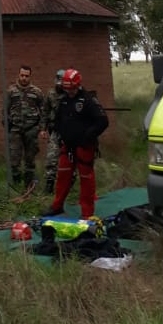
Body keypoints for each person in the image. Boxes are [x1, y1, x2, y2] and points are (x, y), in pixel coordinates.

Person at [43, 69, 109, 219]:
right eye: (67, 88)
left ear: (78, 85)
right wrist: (60, 136)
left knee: (86, 179)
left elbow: (103, 121)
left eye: (72, 88)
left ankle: (87, 213)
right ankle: (57, 206)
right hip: (67, 146)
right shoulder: (64, 100)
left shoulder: (88, 100)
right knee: (63, 176)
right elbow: (59, 120)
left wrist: (87, 136)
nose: (70, 91)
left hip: (84, 147)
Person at [3, 65, 46, 188]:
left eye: (26, 76)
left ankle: (29, 186)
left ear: (30, 76)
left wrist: (41, 128)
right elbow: (4, 111)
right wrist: (6, 126)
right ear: (19, 75)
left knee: (30, 160)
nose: (24, 78)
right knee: (14, 160)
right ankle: (16, 185)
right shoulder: (11, 91)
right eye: (22, 75)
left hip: (31, 130)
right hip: (15, 130)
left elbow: (43, 111)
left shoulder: (36, 92)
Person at [42, 69, 66, 194]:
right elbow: (45, 112)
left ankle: (67, 185)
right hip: (55, 131)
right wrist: (43, 129)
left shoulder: (69, 94)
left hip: (68, 132)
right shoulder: (50, 94)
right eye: (58, 81)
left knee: (69, 160)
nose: (60, 84)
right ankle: (49, 184)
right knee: (51, 158)